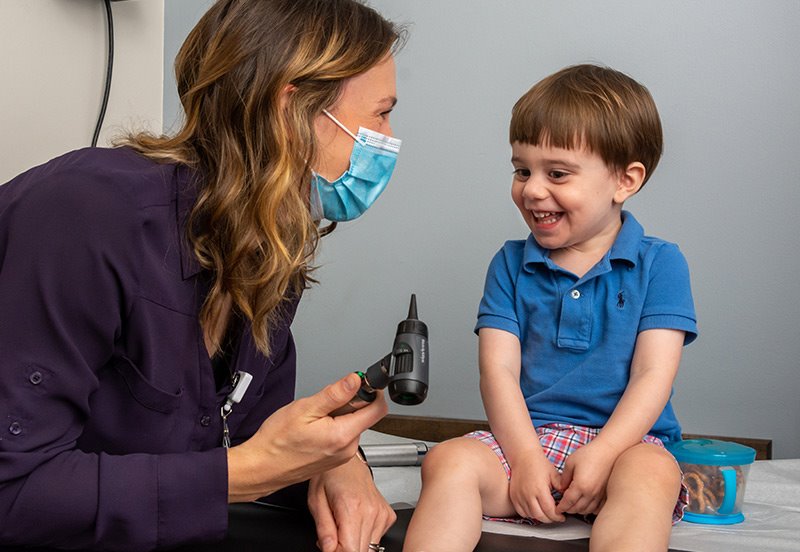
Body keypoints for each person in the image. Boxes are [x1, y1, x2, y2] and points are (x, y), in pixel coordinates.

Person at [0, 1, 406, 550]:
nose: (387, 137)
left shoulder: (265, 251)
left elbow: (252, 433)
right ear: (290, 111)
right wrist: (235, 476)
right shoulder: (86, 213)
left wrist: (332, 462)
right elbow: (14, 491)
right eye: (380, 113)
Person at [403, 64, 698, 552]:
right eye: (522, 170)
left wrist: (604, 453)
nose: (532, 189)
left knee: (652, 473)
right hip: (527, 442)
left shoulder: (661, 263)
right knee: (446, 461)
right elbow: (497, 371)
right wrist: (523, 459)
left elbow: (652, 376)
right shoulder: (510, 263)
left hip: (622, 448)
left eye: (556, 173)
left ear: (625, 180)